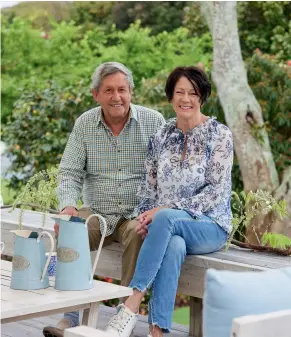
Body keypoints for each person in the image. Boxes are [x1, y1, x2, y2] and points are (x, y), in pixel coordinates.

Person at [105, 66, 234, 337]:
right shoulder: (161, 135)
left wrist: (165, 211)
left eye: (192, 93)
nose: (186, 99)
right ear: (171, 96)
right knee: (173, 244)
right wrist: (144, 217)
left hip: (209, 225)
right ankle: (157, 331)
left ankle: (130, 304)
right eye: (179, 92)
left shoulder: (219, 135)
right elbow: (147, 188)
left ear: (202, 97)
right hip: (168, 228)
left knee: (164, 218)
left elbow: (215, 192)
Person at [43, 62, 165, 337]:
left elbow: (166, 175)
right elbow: (70, 172)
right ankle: (71, 316)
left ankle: (124, 317)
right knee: (71, 229)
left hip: (137, 213)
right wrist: (67, 207)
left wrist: (156, 210)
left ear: (131, 92)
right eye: (108, 90)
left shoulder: (154, 121)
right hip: (97, 211)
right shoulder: (85, 123)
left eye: (122, 89)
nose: (116, 96)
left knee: (139, 231)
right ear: (95, 94)